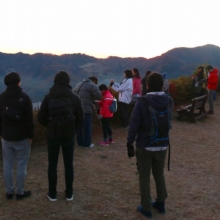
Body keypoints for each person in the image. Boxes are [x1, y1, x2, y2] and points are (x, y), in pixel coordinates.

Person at [126, 72, 173, 218]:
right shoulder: (169, 100)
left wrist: (129, 143)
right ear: (161, 85)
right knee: (159, 173)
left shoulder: (142, 102)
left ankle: (146, 207)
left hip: (145, 145)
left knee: (144, 176)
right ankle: (161, 203)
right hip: (163, 143)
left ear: (147, 85)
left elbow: (134, 124)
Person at [38, 71, 84, 201]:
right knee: (68, 164)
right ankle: (69, 193)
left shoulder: (48, 97)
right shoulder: (75, 98)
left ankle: (52, 194)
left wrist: (51, 126)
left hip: (53, 135)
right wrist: (73, 128)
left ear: (55, 81)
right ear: (68, 82)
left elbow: (41, 117)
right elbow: (81, 117)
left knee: (52, 164)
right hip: (68, 135)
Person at [0, 72, 34, 200]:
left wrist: (1, 133)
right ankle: (20, 192)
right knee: (21, 165)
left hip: (6, 136)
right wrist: (31, 136)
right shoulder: (24, 98)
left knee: (7, 164)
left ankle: (9, 192)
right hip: (22, 136)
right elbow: (29, 120)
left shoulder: (2, 97)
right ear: (18, 82)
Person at [73, 76, 102, 148]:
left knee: (79, 127)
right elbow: (99, 96)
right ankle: (87, 144)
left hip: (77, 109)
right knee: (87, 127)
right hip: (87, 109)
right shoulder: (92, 85)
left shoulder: (78, 85)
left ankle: (80, 143)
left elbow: (73, 95)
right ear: (94, 81)